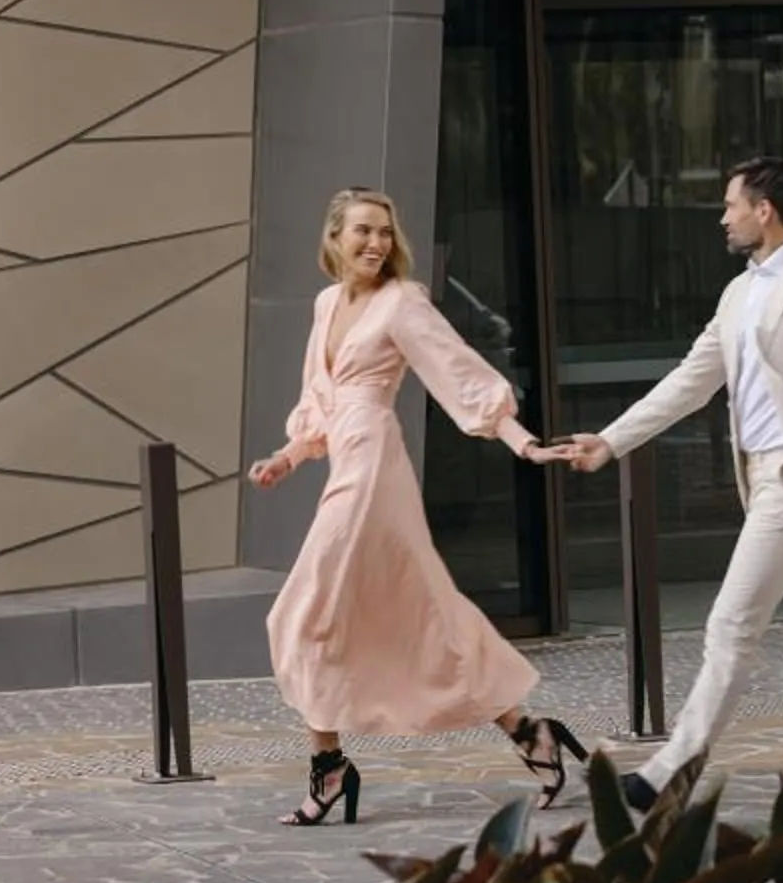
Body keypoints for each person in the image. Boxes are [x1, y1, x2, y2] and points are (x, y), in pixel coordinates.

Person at [554, 155, 783, 807]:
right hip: (766, 480)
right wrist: (610, 441)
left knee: (730, 626)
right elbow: (692, 381)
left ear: (764, 211)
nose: (723, 217)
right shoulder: (740, 293)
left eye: (730, 206)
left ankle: (671, 770)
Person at [247, 186, 584, 825]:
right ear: (334, 238)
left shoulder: (402, 303)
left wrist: (522, 441)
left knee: (303, 610)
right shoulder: (326, 304)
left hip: (374, 464)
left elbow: (455, 369)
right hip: (346, 461)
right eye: (363, 232)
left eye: (384, 232)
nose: (376, 243)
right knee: (420, 607)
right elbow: (318, 399)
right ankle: (528, 732)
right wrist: (288, 458)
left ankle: (330, 768)